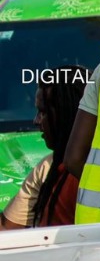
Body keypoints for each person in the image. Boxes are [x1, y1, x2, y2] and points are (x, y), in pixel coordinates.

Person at [1, 67, 88, 228]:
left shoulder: (60, 168)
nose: (36, 121)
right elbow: (7, 228)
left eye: (43, 112)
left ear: (67, 113)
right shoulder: (49, 166)